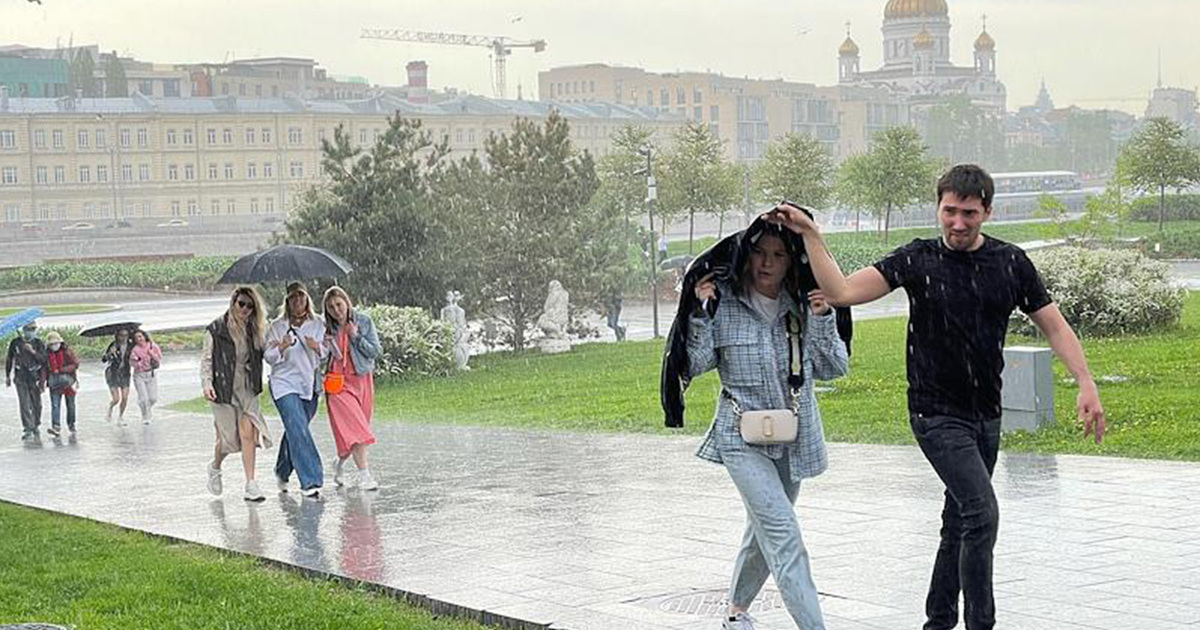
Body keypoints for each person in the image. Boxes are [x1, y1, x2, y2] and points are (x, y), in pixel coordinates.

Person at [773, 164, 1105, 630]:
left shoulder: (1011, 263)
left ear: (987, 211)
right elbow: (842, 291)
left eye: (969, 213)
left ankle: (938, 621)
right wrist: (811, 234)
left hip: (986, 416)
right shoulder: (917, 259)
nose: (957, 223)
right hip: (934, 414)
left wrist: (1085, 382)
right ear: (938, 208)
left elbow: (1053, 325)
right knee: (981, 512)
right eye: (949, 211)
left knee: (960, 521)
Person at [685, 218, 849, 630]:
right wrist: (702, 313)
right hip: (740, 437)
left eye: (777, 255)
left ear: (791, 262)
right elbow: (695, 364)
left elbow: (833, 368)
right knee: (783, 534)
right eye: (759, 253)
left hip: (793, 437)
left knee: (763, 529)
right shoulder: (726, 303)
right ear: (746, 254)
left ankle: (735, 612)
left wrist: (823, 318)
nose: (766, 263)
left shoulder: (802, 305)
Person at [202, 286, 273, 502]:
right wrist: (207, 383)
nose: (245, 309)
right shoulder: (216, 328)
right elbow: (206, 359)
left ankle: (251, 484)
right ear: (233, 302)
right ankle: (215, 466)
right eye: (241, 303)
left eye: (250, 306)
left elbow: (268, 353)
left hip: (247, 386)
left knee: (248, 433)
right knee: (230, 441)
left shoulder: (256, 329)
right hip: (223, 386)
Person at [266, 282, 328, 498]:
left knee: (296, 429)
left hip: (308, 384)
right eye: (293, 297)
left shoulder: (318, 323)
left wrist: (317, 347)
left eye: (301, 296)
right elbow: (269, 357)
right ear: (287, 301)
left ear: (307, 299)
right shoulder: (277, 326)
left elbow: (327, 352)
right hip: (283, 384)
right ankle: (311, 480)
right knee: (298, 428)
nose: (297, 301)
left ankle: (282, 470)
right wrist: (281, 346)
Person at [322, 286, 382, 491]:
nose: (336, 310)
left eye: (339, 304)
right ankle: (365, 476)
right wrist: (322, 347)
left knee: (356, 432)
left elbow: (375, 352)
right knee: (358, 430)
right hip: (338, 386)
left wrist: (356, 336)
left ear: (347, 302)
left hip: (362, 381)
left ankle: (339, 463)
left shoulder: (363, 321)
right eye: (331, 307)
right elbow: (322, 357)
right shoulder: (327, 328)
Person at [6, 321, 48, 441]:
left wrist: (32, 351)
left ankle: (36, 424)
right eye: (29, 329)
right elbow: (10, 358)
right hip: (20, 378)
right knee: (24, 404)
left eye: (33, 329)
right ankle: (27, 428)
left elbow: (43, 360)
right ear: (24, 330)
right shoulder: (16, 343)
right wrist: (8, 375)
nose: (31, 331)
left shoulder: (38, 343)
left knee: (37, 404)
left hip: (34, 377)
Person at [44, 331, 79, 436]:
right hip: (54, 383)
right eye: (52, 344)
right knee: (55, 405)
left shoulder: (67, 352)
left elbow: (75, 364)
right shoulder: (47, 354)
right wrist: (43, 381)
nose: (54, 346)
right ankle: (56, 426)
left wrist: (61, 370)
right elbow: (44, 369)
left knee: (71, 405)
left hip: (68, 382)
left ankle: (71, 424)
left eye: (56, 343)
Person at [129, 329, 163, 425]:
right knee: (143, 398)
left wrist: (151, 354)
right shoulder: (134, 350)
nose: (139, 339)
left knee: (153, 398)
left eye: (140, 336)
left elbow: (159, 358)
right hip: (139, 375)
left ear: (144, 336)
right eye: (136, 338)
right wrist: (137, 361)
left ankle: (146, 408)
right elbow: (133, 364)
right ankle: (145, 415)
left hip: (151, 373)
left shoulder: (152, 346)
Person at [101, 329, 133, 425]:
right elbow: (104, 359)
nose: (123, 338)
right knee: (116, 399)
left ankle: (120, 417)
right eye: (121, 335)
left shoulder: (130, 346)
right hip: (113, 373)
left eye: (126, 335)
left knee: (125, 397)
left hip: (125, 373)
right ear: (117, 336)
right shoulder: (113, 345)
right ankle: (110, 408)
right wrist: (110, 354)